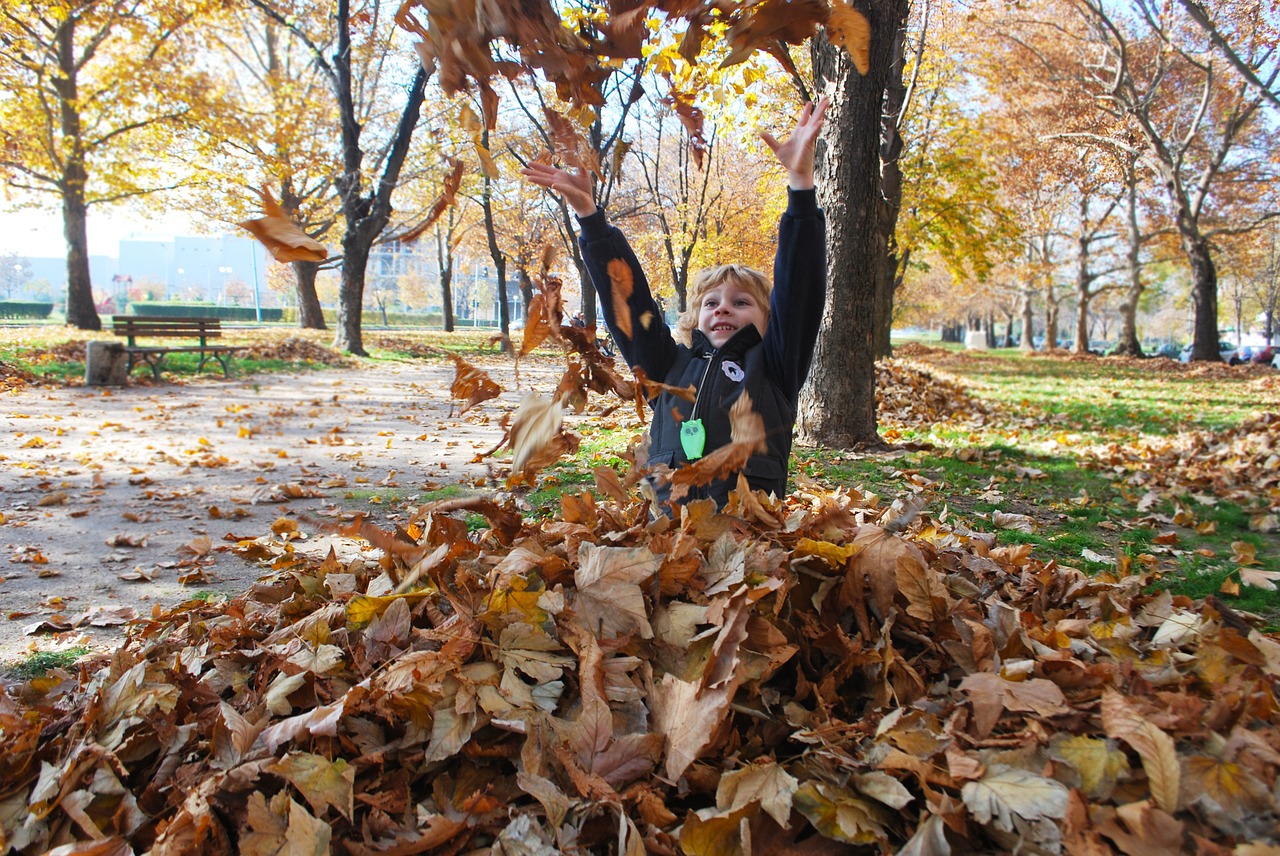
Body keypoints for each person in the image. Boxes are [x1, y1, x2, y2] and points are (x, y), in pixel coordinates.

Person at [522, 97, 829, 510]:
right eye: (711, 302)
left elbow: (800, 290)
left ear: (769, 320)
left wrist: (801, 186)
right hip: (669, 545)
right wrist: (591, 220)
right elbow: (630, 305)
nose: (722, 309)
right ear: (696, 317)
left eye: (741, 302)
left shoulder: (775, 368)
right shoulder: (669, 368)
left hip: (748, 545)